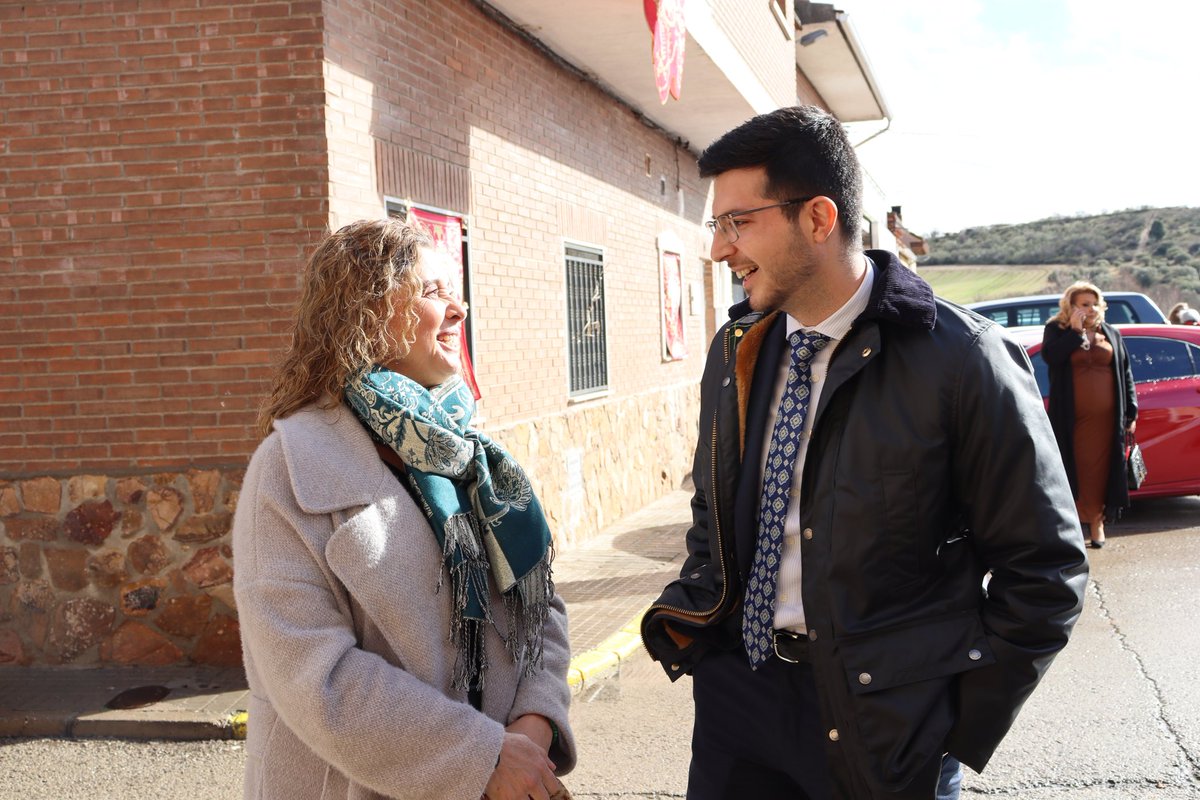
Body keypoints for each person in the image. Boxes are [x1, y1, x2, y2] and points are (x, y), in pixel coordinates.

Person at [640, 106, 1088, 800]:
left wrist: (954, 726)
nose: (719, 250)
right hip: (737, 702)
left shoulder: (964, 361)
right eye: (716, 225)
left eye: (738, 222)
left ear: (818, 219)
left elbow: (1046, 568)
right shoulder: (737, 350)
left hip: (884, 725)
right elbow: (714, 509)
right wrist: (706, 629)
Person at [232, 218, 575, 800]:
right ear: (363, 310)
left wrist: (533, 729)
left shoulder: (469, 451)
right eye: (434, 291)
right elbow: (315, 676)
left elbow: (540, 610)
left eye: (455, 291)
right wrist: (482, 756)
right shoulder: (288, 468)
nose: (459, 310)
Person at [1041, 282, 1138, 549]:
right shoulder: (1056, 330)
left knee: (1102, 473)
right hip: (1073, 422)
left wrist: (1132, 411)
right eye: (1084, 304)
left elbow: (1126, 373)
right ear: (1071, 307)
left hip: (1108, 422)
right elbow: (1051, 357)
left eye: (1094, 303)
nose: (1091, 308)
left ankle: (1097, 524)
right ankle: (1073, 527)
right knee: (1075, 471)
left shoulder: (1111, 333)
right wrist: (1074, 331)